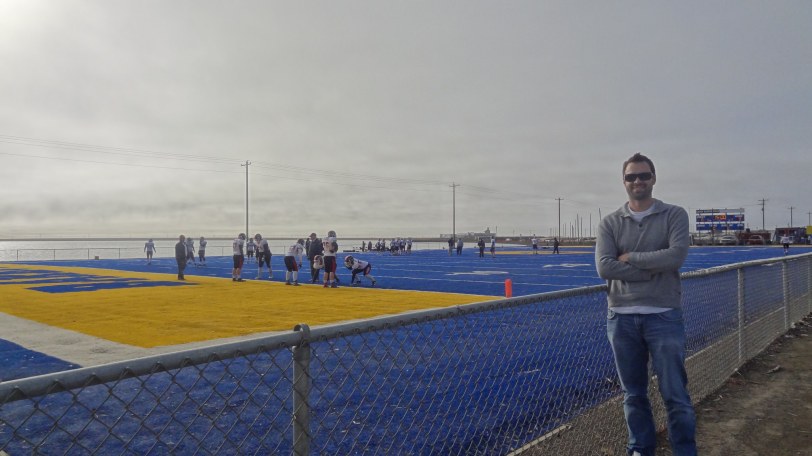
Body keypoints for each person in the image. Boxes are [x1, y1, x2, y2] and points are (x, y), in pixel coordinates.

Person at [595, 153, 696, 456]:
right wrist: (654, 268)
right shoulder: (610, 222)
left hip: (663, 316)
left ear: (653, 178)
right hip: (621, 318)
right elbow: (605, 267)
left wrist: (632, 258)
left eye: (643, 175)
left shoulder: (674, 215)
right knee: (633, 394)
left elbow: (676, 256)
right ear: (623, 181)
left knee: (675, 394)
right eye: (631, 177)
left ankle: (685, 450)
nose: (637, 181)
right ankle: (640, 449)